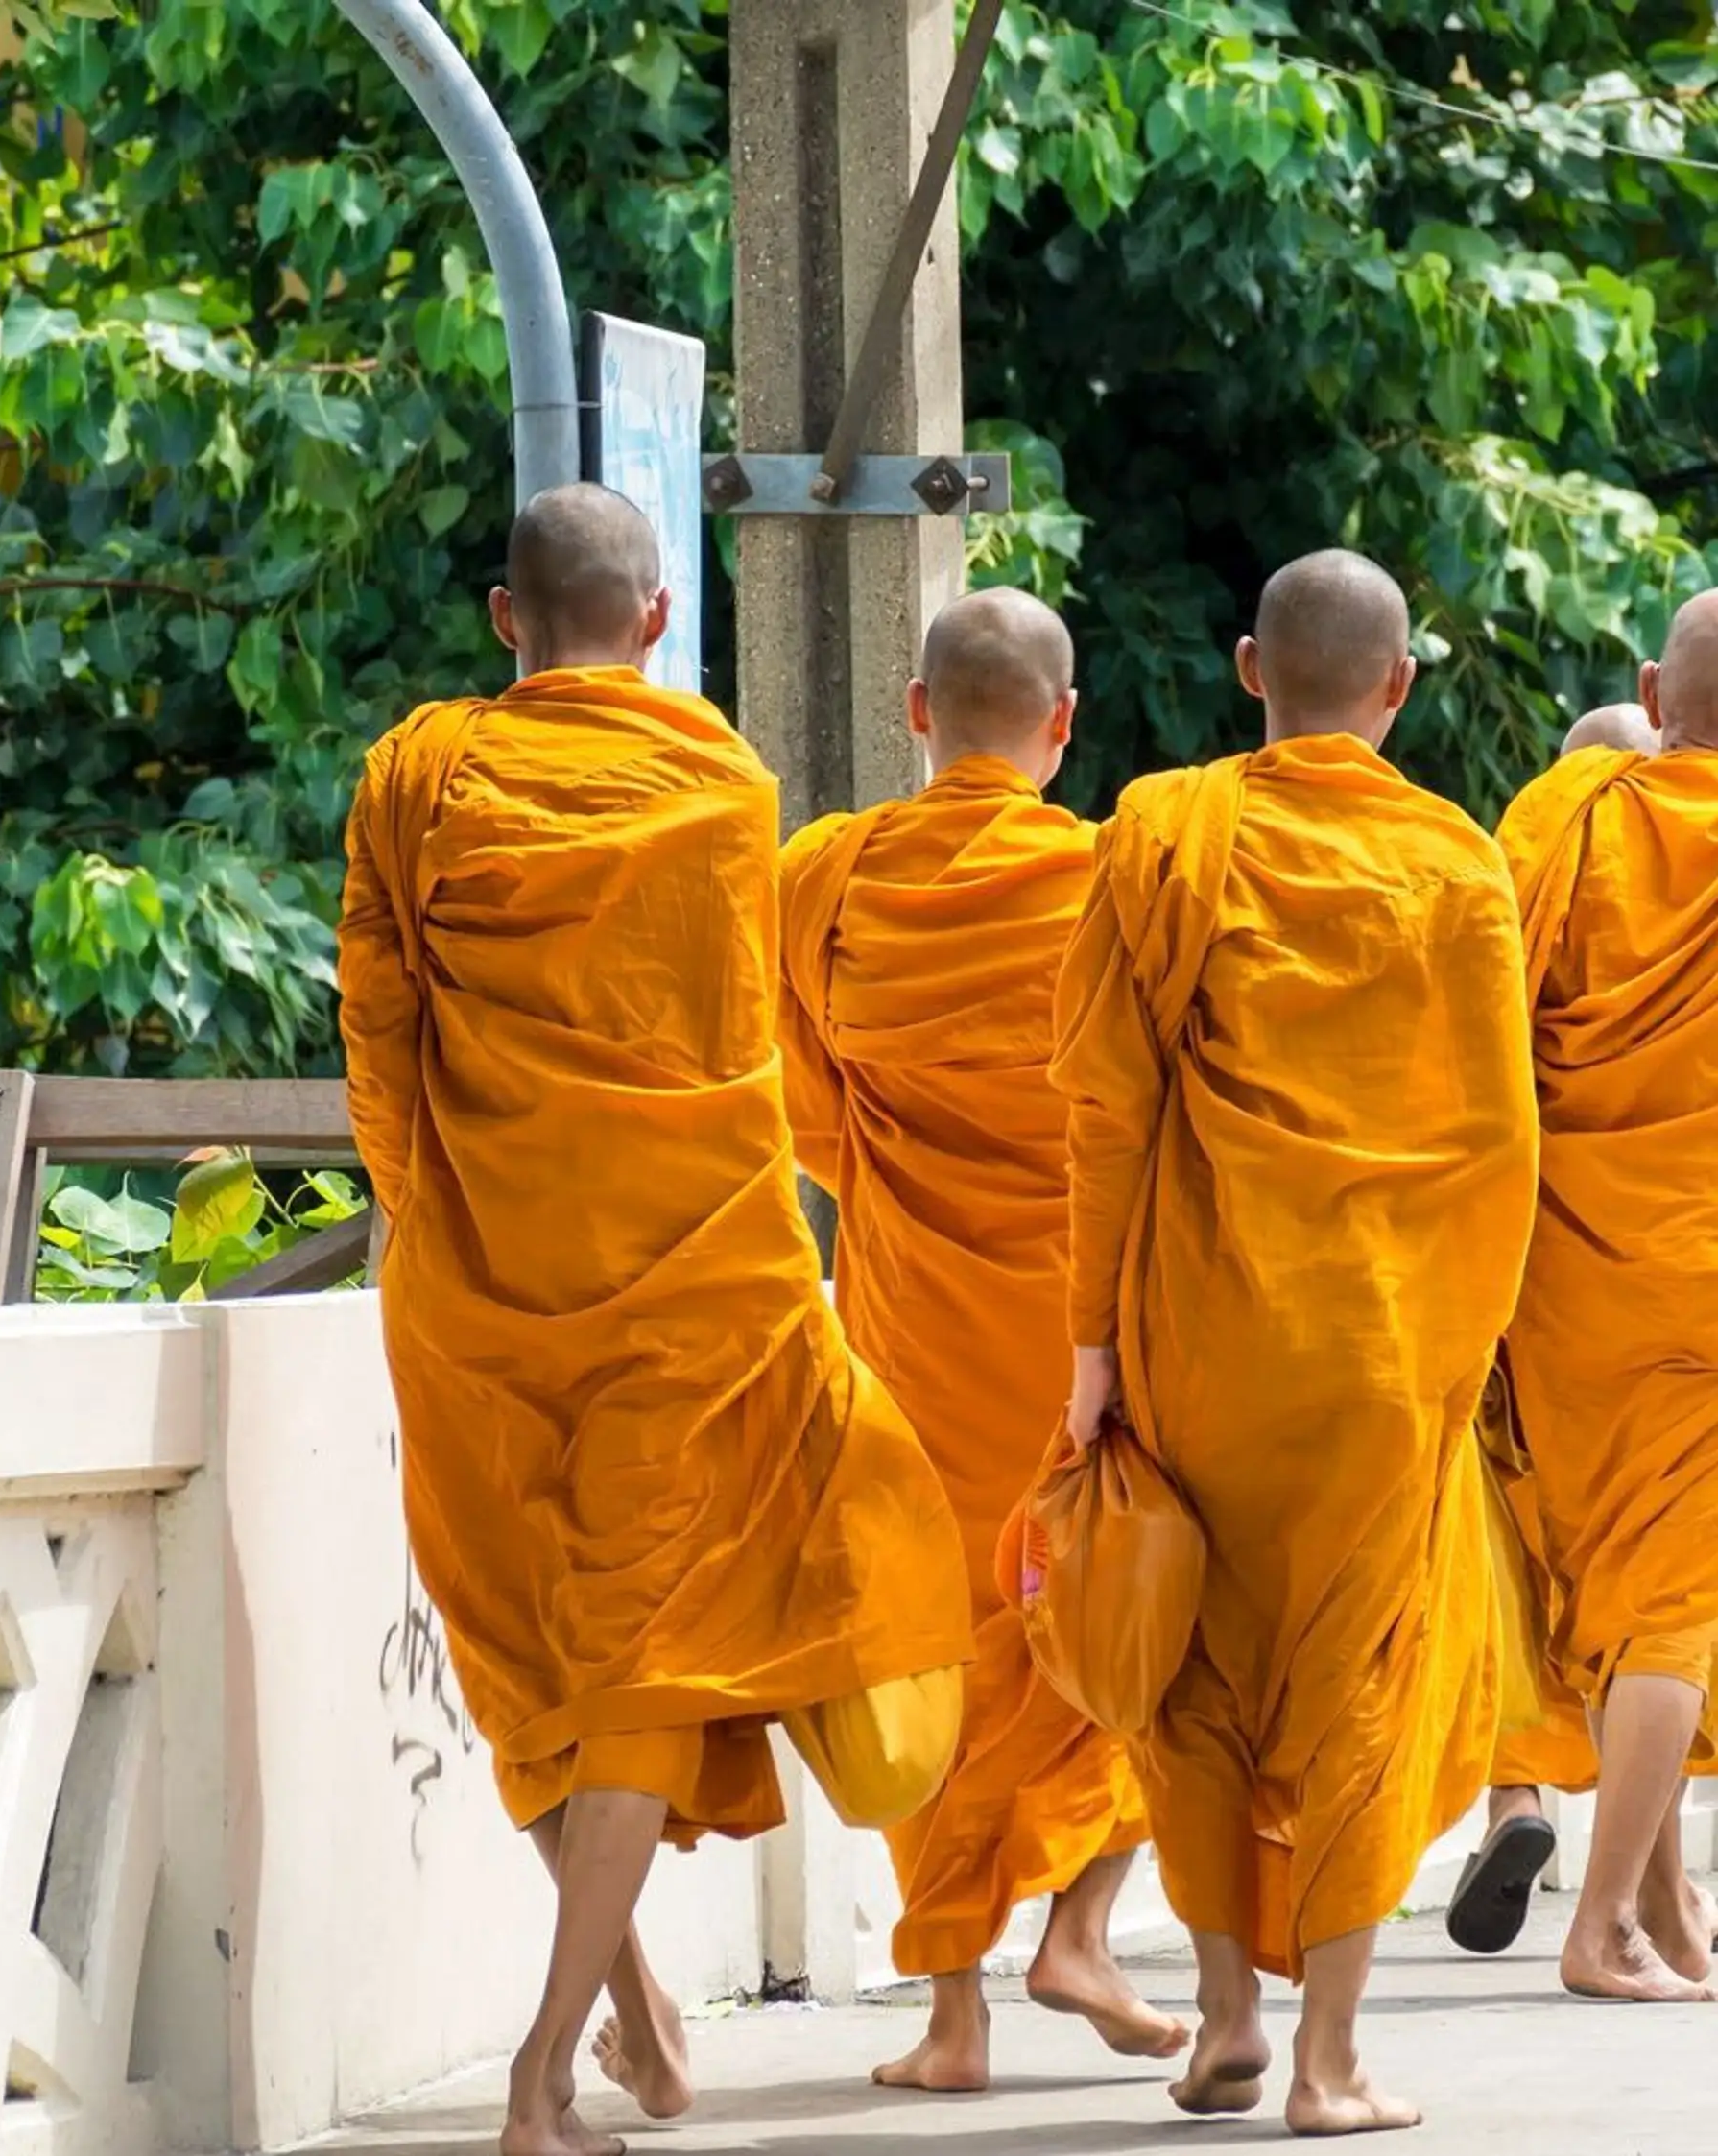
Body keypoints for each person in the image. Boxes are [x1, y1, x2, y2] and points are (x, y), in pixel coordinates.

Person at [338, 483, 975, 2156]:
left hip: (480, 1294)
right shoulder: (721, 781)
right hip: (698, 1281)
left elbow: (381, 1032)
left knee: (545, 1658)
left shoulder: (421, 777)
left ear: (504, 619)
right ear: (659, 620)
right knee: (627, 1654)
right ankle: (594, 2034)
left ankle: (583, 2041)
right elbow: (738, 1044)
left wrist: (440, 1228)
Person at [1054, 550, 1539, 2134]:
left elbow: (1106, 1109)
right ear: (1396, 687)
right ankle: (1330, 2063)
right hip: (1389, 1352)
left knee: (1193, 1672)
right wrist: (1466, 1350)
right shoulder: (1460, 866)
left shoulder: (1164, 832)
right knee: (1363, 1678)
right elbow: (1500, 1143)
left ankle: (1222, 2019)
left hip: (1209, 1329)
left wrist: (1092, 1344)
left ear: (1253, 670)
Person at [777, 587, 1185, 2095]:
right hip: (1092, 1333)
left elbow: (799, 1096)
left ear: (916, 713)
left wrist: (895, 1173)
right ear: (1065, 725)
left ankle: (953, 2019)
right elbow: (1160, 1107)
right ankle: (1081, 1925)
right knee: (1132, 1623)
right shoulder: (1111, 881)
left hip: (911, 1327)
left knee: (934, 1640)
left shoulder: (827, 876)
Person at [1493, 590, 1718, 2005]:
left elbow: (1478, 1025)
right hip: (1702, 1269)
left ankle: (1664, 1908)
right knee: (1672, 1596)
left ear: (1651, 684)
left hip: (1564, 1265)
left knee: (1606, 1580)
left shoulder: (1567, 823)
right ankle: (1608, 1925)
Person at [1446, 700, 1660, 1956]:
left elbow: (1465, 1071)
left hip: (1516, 1274)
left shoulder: (1515, 872)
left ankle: (1517, 1790)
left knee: (1510, 1558)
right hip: (1656, 1280)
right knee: (1657, 1578)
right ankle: (1648, 1888)